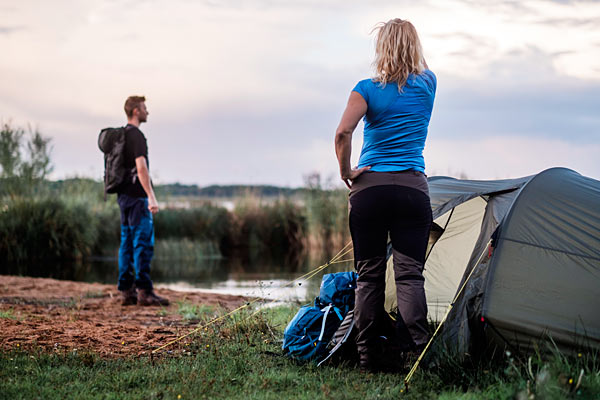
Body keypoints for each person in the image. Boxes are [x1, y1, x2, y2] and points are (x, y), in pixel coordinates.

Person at [334, 19, 436, 371]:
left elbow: (343, 132)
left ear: (382, 47)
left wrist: (347, 172)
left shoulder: (365, 89)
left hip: (370, 191)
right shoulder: (429, 84)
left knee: (369, 276)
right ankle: (416, 356)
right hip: (412, 189)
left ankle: (367, 357)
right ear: (415, 46)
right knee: (409, 277)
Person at [117, 95, 169, 306]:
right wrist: (151, 195)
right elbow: (141, 168)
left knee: (127, 243)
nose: (147, 112)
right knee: (143, 243)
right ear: (136, 111)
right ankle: (145, 292)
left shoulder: (120, 136)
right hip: (138, 198)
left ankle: (126, 291)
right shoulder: (136, 135)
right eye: (145, 108)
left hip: (123, 197)